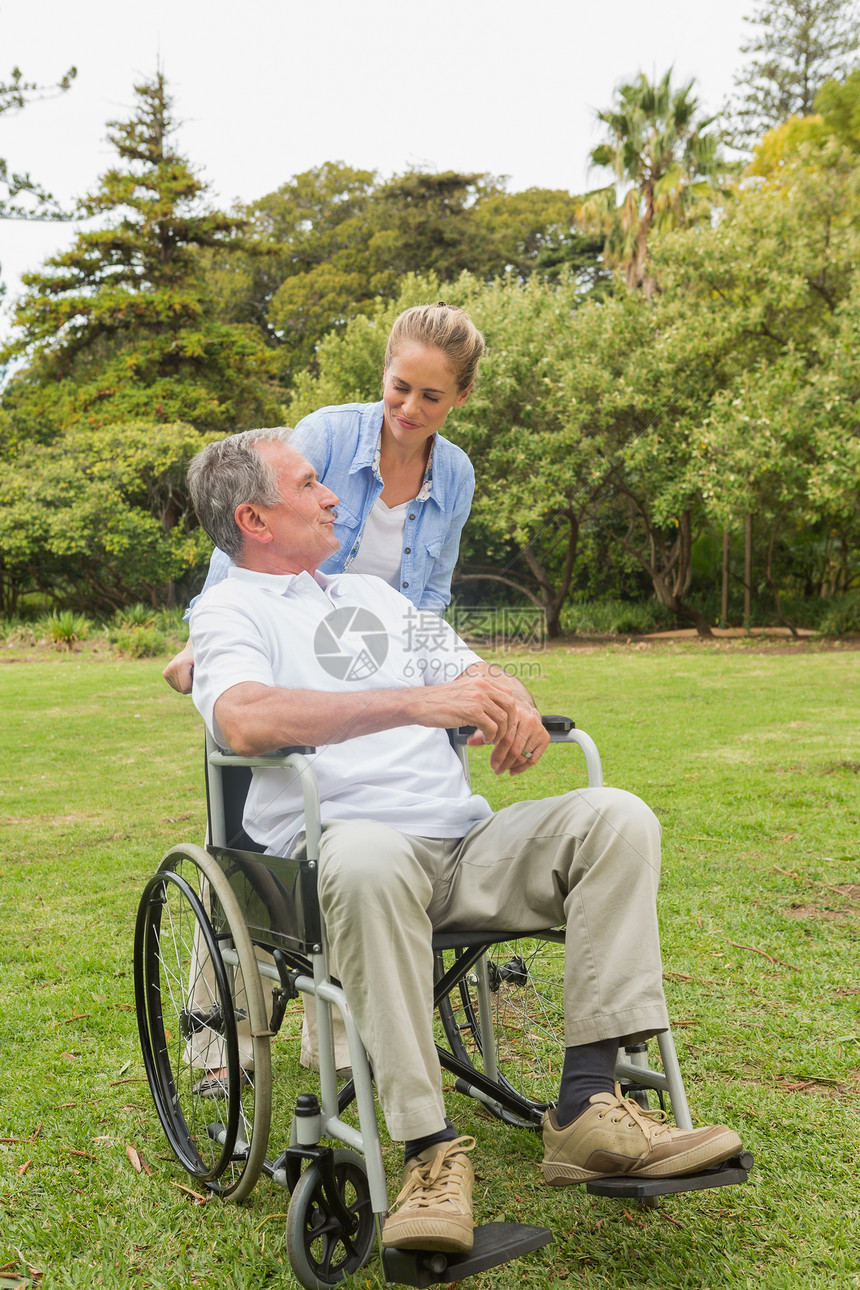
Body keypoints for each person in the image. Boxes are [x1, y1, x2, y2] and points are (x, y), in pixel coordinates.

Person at [187, 427, 743, 1255]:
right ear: (256, 519)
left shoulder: (372, 600)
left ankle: (588, 1106)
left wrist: (510, 701)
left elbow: (473, 672)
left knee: (616, 814)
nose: (333, 493)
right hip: (352, 855)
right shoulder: (229, 611)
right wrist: (413, 706)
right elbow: (243, 717)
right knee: (369, 857)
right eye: (310, 484)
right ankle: (427, 1152)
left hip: (461, 845)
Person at [163, 301, 484, 694]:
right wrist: (203, 635)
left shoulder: (457, 473)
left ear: (462, 395)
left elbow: (433, 588)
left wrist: (423, 666)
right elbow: (247, 526)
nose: (409, 408)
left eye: (431, 397)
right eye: (400, 387)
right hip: (301, 644)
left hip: (383, 653)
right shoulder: (328, 433)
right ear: (384, 373)